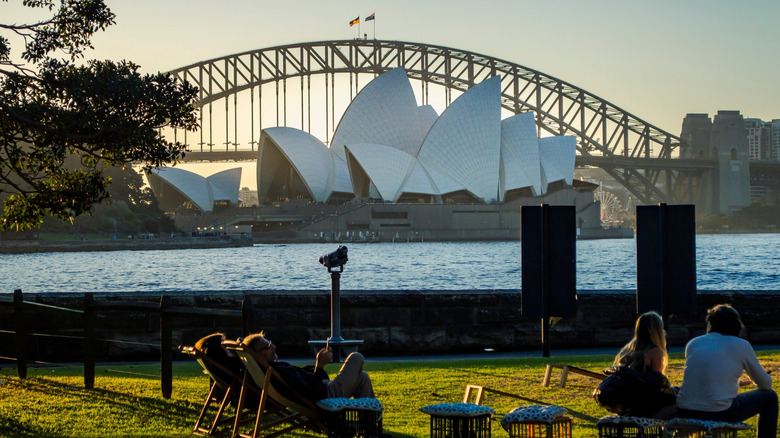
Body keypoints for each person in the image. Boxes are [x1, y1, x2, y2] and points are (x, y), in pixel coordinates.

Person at [676, 304, 777, 438]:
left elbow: (705, 374)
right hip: (719, 412)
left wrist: (731, 381)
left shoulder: (693, 343)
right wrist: (756, 377)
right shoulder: (741, 345)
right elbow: (766, 384)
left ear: (710, 324)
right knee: (770, 397)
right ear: (736, 325)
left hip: (685, 411)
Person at [243, 331, 375, 402]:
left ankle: (370, 427)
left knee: (363, 377)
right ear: (258, 356)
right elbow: (311, 393)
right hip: (326, 394)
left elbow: (305, 383)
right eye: (267, 347)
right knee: (356, 357)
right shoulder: (277, 372)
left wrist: (316, 369)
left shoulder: (274, 369)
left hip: (324, 387)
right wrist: (320, 365)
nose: (273, 347)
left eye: (270, 343)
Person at [611, 311, 678, 418]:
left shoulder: (627, 350)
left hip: (627, 404)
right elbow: (657, 385)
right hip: (645, 407)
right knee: (682, 402)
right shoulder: (656, 352)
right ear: (657, 331)